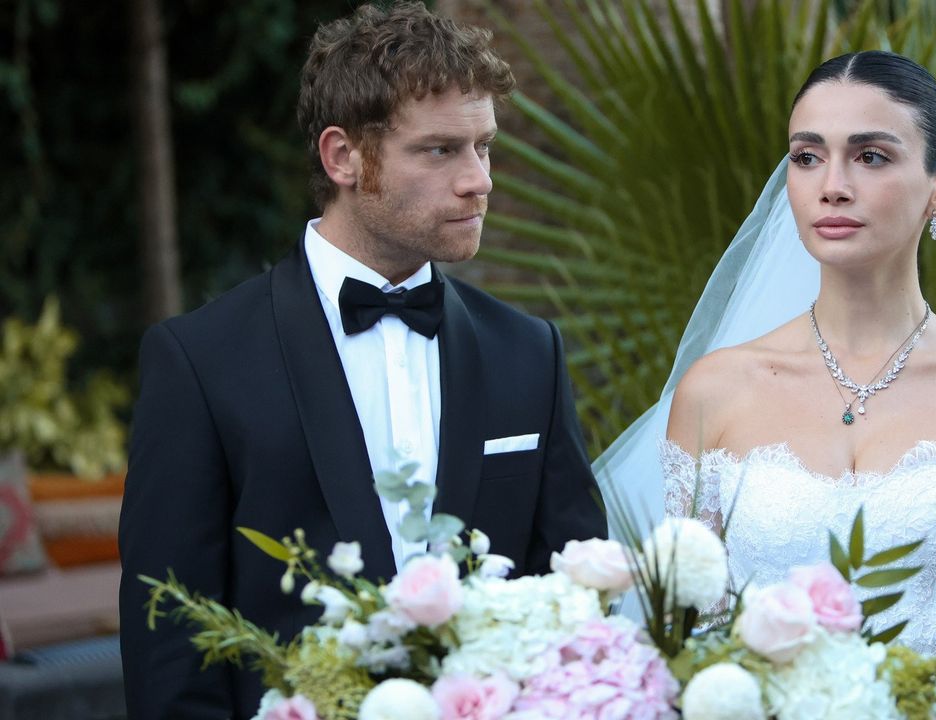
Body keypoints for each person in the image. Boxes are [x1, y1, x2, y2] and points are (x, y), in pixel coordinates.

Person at [118, 4, 606, 718]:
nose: (479, 180)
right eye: (440, 150)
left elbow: (577, 605)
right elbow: (172, 643)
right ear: (342, 157)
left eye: (483, 147)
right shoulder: (200, 362)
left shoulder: (529, 353)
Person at [598, 51, 936, 719]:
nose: (833, 186)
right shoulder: (716, 393)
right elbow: (694, 656)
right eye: (808, 157)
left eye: (871, 156)